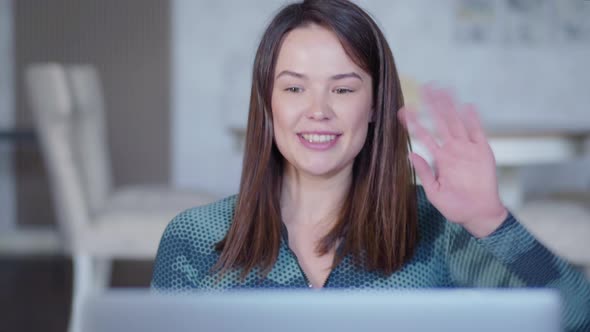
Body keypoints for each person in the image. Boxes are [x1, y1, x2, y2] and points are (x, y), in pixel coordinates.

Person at [151, 0, 590, 330]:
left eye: (342, 90)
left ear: (376, 105)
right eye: (294, 89)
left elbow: (577, 318)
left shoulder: (436, 228)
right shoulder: (195, 238)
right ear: (267, 104)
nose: (318, 110)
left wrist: (491, 221)